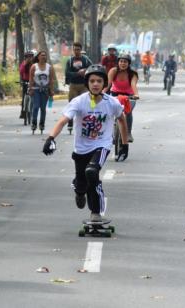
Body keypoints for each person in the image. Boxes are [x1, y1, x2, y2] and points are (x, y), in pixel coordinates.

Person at [42, 64, 129, 222]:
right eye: (92, 81)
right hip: (81, 149)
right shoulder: (78, 101)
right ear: (87, 83)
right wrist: (50, 138)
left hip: (101, 145)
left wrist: (124, 145)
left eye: (99, 81)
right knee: (81, 183)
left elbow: (122, 120)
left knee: (92, 172)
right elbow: (63, 120)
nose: (95, 84)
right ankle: (79, 192)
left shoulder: (112, 103)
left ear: (104, 84)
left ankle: (96, 212)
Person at [105, 53, 139, 142]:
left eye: (125, 62)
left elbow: (133, 84)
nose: (123, 63)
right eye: (121, 61)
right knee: (111, 112)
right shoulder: (113, 71)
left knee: (128, 112)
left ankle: (128, 133)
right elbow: (107, 85)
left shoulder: (133, 73)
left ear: (129, 64)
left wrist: (136, 94)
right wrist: (101, 93)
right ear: (118, 62)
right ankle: (110, 132)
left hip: (129, 96)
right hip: (115, 94)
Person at [65, 42, 93, 130]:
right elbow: (67, 73)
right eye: (75, 49)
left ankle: (86, 121)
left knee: (86, 103)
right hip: (73, 85)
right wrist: (77, 73)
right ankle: (70, 121)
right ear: (73, 50)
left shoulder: (86, 60)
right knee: (72, 103)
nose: (76, 51)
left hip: (84, 85)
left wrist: (86, 72)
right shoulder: (70, 61)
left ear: (81, 50)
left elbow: (92, 69)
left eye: (78, 49)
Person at [28, 50, 55, 132]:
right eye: (42, 55)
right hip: (35, 89)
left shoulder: (49, 67)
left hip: (45, 90)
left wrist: (51, 90)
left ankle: (42, 124)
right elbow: (31, 78)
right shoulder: (34, 66)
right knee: (35, 107)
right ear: (38, 57)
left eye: (45, 55)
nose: (43, 57)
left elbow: (51, 79)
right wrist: (31, 88)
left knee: (43, 108)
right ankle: (34, 123)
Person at [19, 50, 34, 119]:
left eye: (31, 56)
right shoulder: (23, 63)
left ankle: (33, 111)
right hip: (26, 81)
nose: (29, 58)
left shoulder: (34, 64)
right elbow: (21, 72)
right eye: (28, 57)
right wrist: (25, 64)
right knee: (24, 97)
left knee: (33, 97)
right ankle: (23, 112)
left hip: (33, 81)